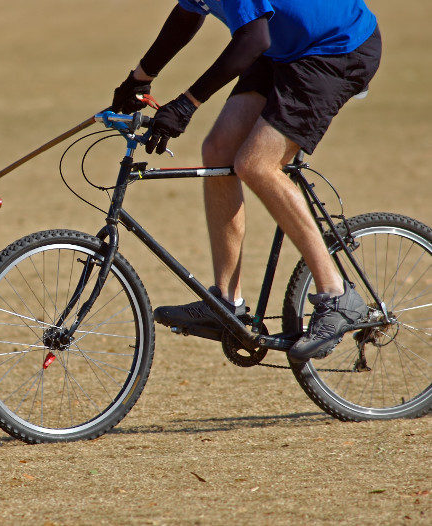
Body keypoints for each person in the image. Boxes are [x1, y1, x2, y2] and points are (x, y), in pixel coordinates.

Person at [110, 0, 381, 362]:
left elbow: (253, 39)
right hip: (283, 49)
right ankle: (227, 303)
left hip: (335, 48)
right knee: (218, 150)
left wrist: (187, 104)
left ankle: (336, 295)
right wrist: (141, 76)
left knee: (256, 165)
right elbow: (188, 12)